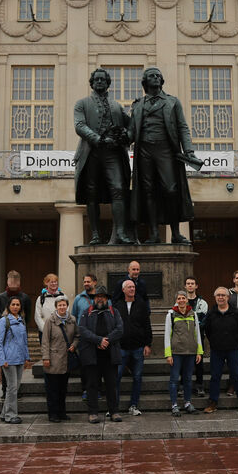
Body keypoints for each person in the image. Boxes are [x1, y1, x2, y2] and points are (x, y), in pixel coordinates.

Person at [128, 66, 201, 244]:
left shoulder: (172, 102)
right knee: (149, 191)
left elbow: (183, 127)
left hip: (165, 149)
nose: (155, 78)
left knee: (171, 190)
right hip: (144, 150)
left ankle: (175, 232)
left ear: (161, 81)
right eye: (151, 76)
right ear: (145, 82)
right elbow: (131, 131)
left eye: (158, 76)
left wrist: (188, 151)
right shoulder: (138, 105)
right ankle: (154, 233)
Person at [73, 67, 134, 245]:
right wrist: (98, 139)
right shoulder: (82, 103)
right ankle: (95, 234)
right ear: (92, 83)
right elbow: (79, 125)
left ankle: (120, 233)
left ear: (108, 83)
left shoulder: (116, 106)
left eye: (103, 80)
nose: (99, 82)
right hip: (91, 152)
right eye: (96, 79)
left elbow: (131, 126)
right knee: (91, 193)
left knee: (118, 189)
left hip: (113, 154)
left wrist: (127, 136)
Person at [78, 285, 125, 423]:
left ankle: (114, 411)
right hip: (92, 356)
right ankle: (93, 412)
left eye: (102, 297)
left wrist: (107, 340)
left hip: (110, 355)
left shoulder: (114, 312)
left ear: (106, 299)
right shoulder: (87, 312)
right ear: (94, 298)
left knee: (112, 385)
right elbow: (82, 330)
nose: (100, 299)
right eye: (97, 297)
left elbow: (120, 329)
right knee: (92, 385)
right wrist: (98, 340)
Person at [204, 287, 238, 413]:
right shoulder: (211, 314)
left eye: (223, 295)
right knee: (215, 377)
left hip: (233, 350)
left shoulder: (236, 313)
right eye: (218, 295)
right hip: (217, 351)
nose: (220, 297)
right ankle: (212, 403)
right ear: (215, 297)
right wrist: (214, 341)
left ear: (228, 298)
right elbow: (208, 331)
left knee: (237, 376)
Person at [114, 278, 152, 416]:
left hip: (138, 347)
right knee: (116, 376)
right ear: (123, 290)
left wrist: (148, 344)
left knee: (137, 376)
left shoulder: (141, 304)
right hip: (121, 347)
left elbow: (147, 325)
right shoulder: (117, 305)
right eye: (129, 287)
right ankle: (114, 407)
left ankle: (133, 405)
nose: (132, 289)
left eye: (133, 287)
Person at [164, 290, 202, 416]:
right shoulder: (171, 314)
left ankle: (187, 402)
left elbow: (197, 334)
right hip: (176, 352)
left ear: (187, 300)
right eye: (179, 298)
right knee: (174, 379)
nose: (181, 300)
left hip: (190, 352)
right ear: (176, 300)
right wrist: (168, 354)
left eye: (183, 298)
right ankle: (174, 404)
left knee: (188, 379)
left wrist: (199, 352)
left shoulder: (193, 314)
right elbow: (167, 335)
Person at [0, 271, 30, 399]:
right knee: (6, 366)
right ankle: (5, 391)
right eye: (11, 281)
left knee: (18, 367)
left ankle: (16, 391)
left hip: (19, 334)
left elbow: (27, 318)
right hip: (5, 335)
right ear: (7, 281)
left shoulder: (25, 298)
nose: (13, 283)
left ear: (19, 282)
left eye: (16, 281)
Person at [41, 296, 77, 423]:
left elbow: (77, 336)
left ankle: (62, 413)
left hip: (66, 360)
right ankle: (53, 414)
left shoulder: (72, 320)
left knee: (63, 389)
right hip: (53, 360)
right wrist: (45, 357)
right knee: (52, 390)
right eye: (59, 305)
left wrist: (74, 345)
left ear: (67, 306)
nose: (62, 307)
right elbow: (45, 341)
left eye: (64, 305)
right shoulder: (50, 321)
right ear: (56, 307)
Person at [0, 296, 30, 424]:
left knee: (15, 387)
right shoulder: (4, 321)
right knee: (12, 388)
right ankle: (11, 415)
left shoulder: (21, 321)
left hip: (20, 359)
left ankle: (4, 413)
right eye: (13, 304)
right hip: (8, 360)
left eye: (17, 305)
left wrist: (27, 357)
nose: (15, 307)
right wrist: (1, 359)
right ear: (9, 306)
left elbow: (24, 341)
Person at [72, 273, 99, 399]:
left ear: (95, 282)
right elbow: (74, 316)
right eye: (85, 282)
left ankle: (97, 389)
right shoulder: (78, 298)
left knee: (98, 365)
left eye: (88, 281)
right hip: (83, 338)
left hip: (98, 337)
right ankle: (86, 390)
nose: (86, 284)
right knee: (85, 366)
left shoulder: (102, 298)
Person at [185, 276, 208, 397]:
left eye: (192, 283)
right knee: (183, 363)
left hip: (198, 338)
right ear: (185, 286)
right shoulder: (180, 301)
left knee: (199, 363)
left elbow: (203, 321)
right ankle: (183, 385)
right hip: (183, 339)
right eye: (188, 283)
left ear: (196, 286)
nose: (190, 285)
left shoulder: (202, 303)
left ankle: (199, 386)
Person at [33, 273, 67, 345]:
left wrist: (58, 329)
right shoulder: (40, 299)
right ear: (46, 283)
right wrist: (45, 330)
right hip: (45, 332)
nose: (54, 283)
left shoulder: (63, 297)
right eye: (51, 282)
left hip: (60, 332)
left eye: (55, 281)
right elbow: (37, 316)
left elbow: (66, 313)